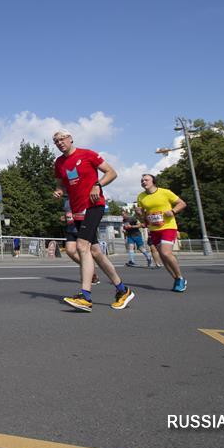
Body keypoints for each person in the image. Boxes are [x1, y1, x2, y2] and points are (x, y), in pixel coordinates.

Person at [52, 130, 134, 312]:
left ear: (71, 138)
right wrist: (59, 190)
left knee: (82, 247)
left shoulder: (87, 154)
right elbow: (60, 183)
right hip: (77, 210)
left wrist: (98, 184)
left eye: (62, 139)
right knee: (96, 252)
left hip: (93, 205)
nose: (59, 143)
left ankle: (85, 296)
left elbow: (112, 172)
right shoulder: (59, 162)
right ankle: (123, 290)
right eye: (56, 141)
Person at [136, 174, 188, 292]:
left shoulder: (165, 192)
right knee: (163, 258)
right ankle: (176, 279)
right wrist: (139, 213)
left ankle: (180, 277)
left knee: (166, 253)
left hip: (168, 226)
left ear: (153, 181)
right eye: (142, 180)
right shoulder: (141, 196)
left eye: (146, 180)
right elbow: (144, 216)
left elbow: (182, 203)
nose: (144, 182)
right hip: (154, 229)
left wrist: (173, 211)